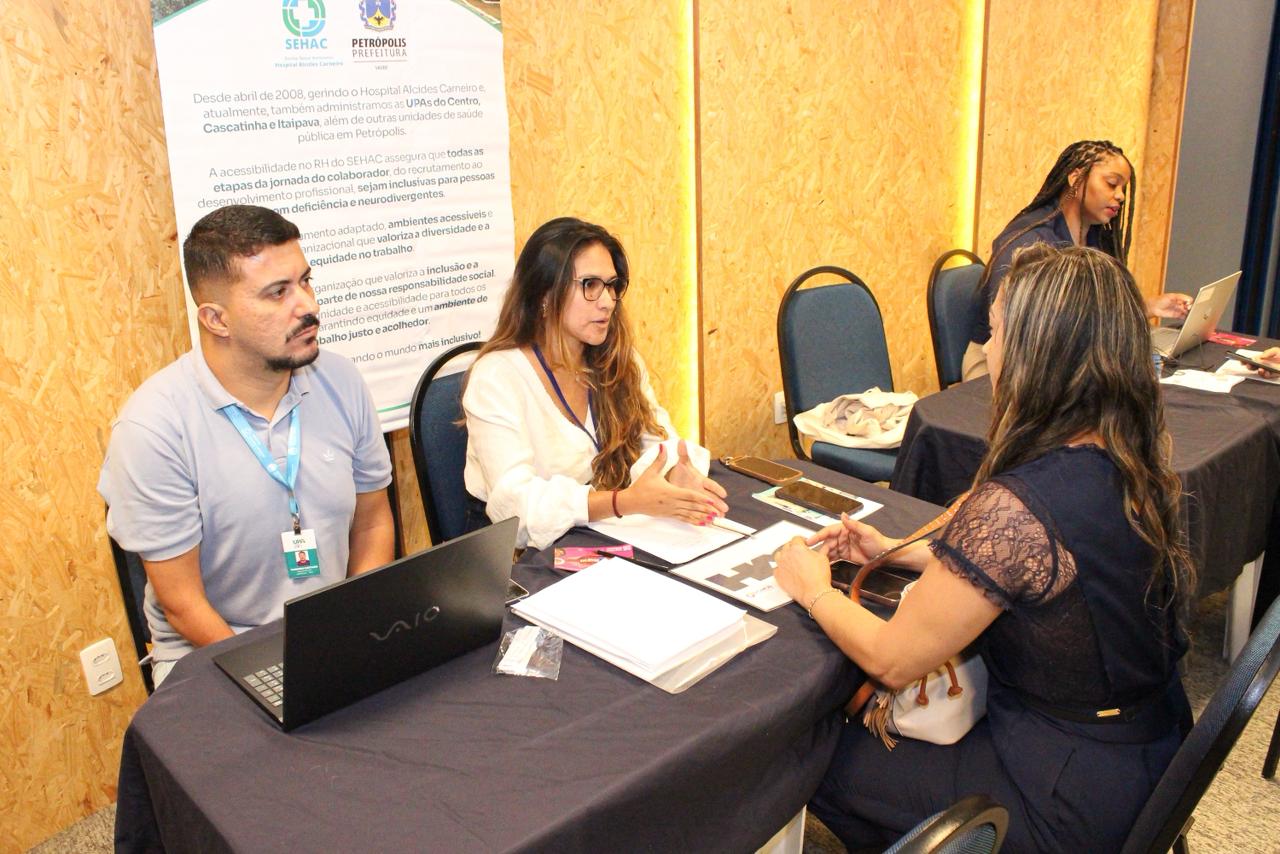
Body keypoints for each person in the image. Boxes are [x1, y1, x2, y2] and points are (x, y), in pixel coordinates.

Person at [775, 244, 1194, 852]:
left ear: (1036, 355)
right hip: (1151, 755)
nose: (989, 351)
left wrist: (812, 589)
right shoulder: (1131, 457)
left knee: (808, 753)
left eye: (995, 334)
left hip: (1063, 794)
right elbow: (1051, 564)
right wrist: (893, 549)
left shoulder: (1019, 504)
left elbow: (892, 660)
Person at [99, 205, 394, 686]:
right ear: (216, 320)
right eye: (278, 292)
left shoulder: (340, 380)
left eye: (305, 281)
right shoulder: (152, 428)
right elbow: (182, 605)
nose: (308, 306)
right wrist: (279, 678)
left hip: (329, 638)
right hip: (212, 653)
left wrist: (355, 629)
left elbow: (374, 521)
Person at [462, 216, 727, 550]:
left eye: (612, 286)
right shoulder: (496, 378)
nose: (607, 301)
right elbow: (516, 511)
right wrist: (622, 502)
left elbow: (656, 442)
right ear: (544, 294)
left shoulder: (619, 360)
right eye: (590, 285)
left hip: (600, 535)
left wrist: (674, 472)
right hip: (519, 558)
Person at [963, 139, 1191, 380]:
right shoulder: (1030, 242)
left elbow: (1093, 312)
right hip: (1000, 362)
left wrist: (1147, 307)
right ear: (1075, 178)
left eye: (1122, 188)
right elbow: (1021, 330)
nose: (1121, 196)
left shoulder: (1094, 237)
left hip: (1063, 358)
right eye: (1111, 184)